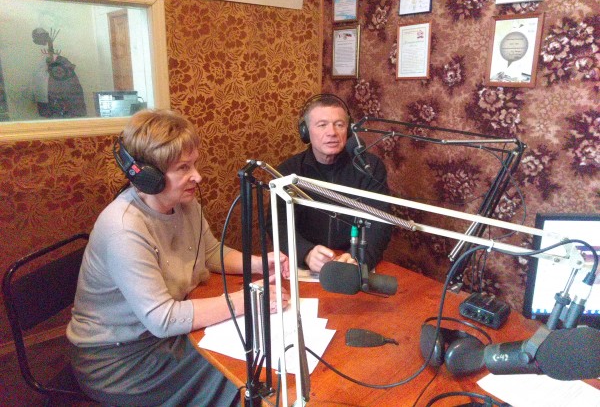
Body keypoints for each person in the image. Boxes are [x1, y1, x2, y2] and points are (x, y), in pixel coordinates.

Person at [66, 109, 290, 407]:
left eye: (194, 164)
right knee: (245, 378)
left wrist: (260, 264)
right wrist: (247, 301)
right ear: (148, 177)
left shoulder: (185, 203)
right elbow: (164, 319)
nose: (197, 176)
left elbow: (209, 252)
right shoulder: (123, 229)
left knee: (254, 356)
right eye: (183, 168)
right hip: (120, 361)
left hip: (164, 339)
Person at [273, 94, 392, 273]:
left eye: (339, 124)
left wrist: (357, 257)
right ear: (305, 131)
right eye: (322, 125)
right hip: (306, 265)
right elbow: (277, 223)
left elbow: (381, 222)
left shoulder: (369, 167)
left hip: (352, 260)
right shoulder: (289, 171)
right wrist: (305, 253)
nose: (332, 133)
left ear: (348, 131)